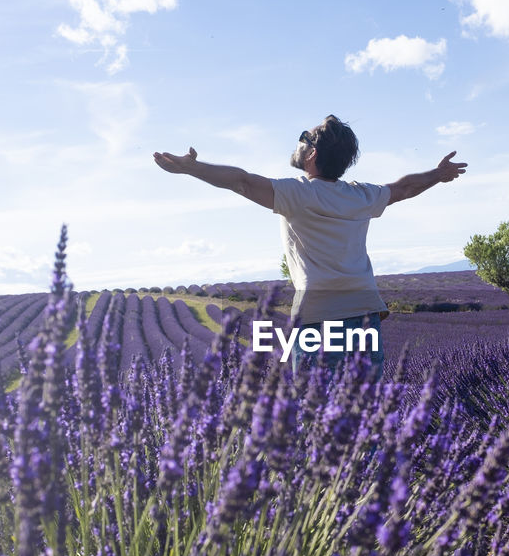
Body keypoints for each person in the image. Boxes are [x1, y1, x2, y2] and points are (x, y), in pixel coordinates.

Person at [153, 115, 468, 380]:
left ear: (312, 154)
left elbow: (243, 181)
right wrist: (438, 175)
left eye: (304, 139)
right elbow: (404, 188)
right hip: (366, 314)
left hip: (319, 317)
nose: (298, 144)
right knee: (365, 415)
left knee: (317, 414)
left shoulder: (297, 194)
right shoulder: (360, 196)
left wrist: (191, 168)